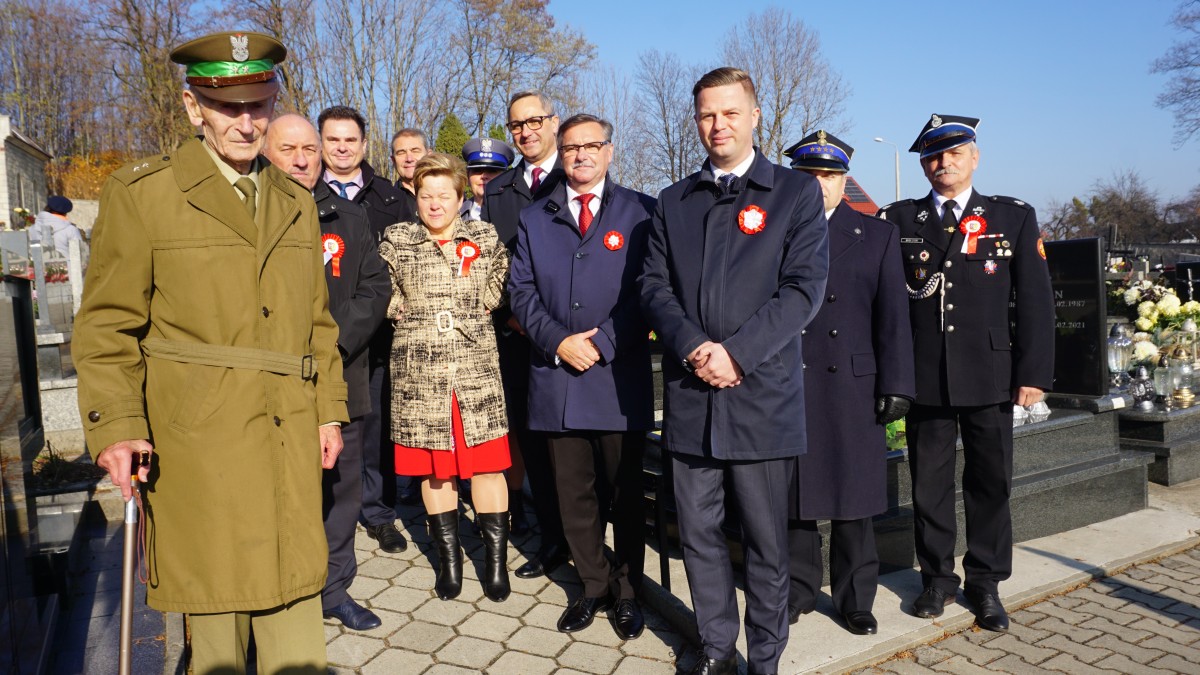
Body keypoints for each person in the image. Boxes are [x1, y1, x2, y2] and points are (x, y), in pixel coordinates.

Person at [73, 32, 348, 673]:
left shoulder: (295, 202)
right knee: (218, 631)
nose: (247, 123)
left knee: (296, 615)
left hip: (287, 435)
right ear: (194, 108)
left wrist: (328, 412)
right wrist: (116, 428)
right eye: (229, 107)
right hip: (199, 445)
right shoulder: (143, 195)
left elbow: (318, 324)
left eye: (259, 104)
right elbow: (107, 329)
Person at [640, 67, 829, 675]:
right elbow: (653, 286)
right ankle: (718, 647)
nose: (716, 125)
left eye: (728, 113)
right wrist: (697, 346)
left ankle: (766, 656)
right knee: (697, 537)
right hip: (693, 396)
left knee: (767, 545)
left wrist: (737, 353)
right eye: (705, 115)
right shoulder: (673, 200)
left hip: (761, 397)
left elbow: (802, 291)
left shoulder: (795, 194)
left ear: (753, 116)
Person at [878, 114, 1055, 633]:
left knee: (990, 482)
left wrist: (1033, 373)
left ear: (975, 157)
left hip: (991, 375)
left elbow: (1036, 303)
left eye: (954, 153)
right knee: (929, 485)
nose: (943, 163)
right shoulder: (898, 219)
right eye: (933, 156)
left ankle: (986, 582)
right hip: (926, 378)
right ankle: (936, 579)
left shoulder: (1012, 216)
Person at [509, 114, 653, 640]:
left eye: (592, 145)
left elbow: (651, 292)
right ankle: (592, 585)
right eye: (571, 147)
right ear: (559, 152)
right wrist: (557, 340)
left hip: (617, 380)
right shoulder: (534, 217)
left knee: (624, 495)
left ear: (610, 151)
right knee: (574, 497)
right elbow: (520, 291)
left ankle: (628, 592)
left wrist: (605, 341)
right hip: (558, 378)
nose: (581, 155)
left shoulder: (642, 212)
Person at [781, 131, 915, 636]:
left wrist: (897, 382)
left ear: (844, 182)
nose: (819, 187)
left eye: (830, 177)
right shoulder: (776, 231)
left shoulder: (875, 235)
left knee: (854, 496)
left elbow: (894, 317)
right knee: (796, 496)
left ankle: (856, 596)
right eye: (809, 176)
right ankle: (797, 588)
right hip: (791, 378)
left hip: (852, 383)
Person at [263, 113, 392, 631]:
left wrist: (327, 343)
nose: (301, 160)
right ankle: (279, 592)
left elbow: (375, 290)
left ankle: (334, 589)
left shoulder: (348, 217)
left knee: (341, 492)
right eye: (288, 149)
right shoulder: (252, 215)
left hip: (341, 379)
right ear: (267, 152)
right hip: (269, 385)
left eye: (309, 150)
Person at [378, 152, 513, 602]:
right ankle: (450, 562)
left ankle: (495, 564)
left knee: (488, 467)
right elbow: (383, 291)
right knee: (436, 472)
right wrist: (410, 314)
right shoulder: (397, 240)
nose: (434, 204)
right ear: (415, 196)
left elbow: (501, 278)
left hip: (475, 368)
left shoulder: (484, 236)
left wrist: (478, 310)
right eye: (425, 194)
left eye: (444, 195)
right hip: (421, 371)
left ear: (460, 197)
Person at [481, 90, 569, 576]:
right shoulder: (499, 191)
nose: (526, 131)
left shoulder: (576, 171)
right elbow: (498, 270)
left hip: (574, 340)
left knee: (577, 452)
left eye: (534, 121)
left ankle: (594, 546)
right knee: (535, 447)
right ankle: (554, 542)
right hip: (520, 339)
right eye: (516, 125)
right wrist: (517, 319)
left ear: (553, 122)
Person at [318, 105, 410, 554]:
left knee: (373, 428)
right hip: (317, 340)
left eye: (349, 140)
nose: (341, 147)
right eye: (332, 139)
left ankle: (377, 512)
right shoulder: (301, 195)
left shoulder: (392, 199)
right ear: (321, 143)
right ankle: (330, 513)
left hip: (377, 337)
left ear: (364, 144)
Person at [460, 137, 514, 223]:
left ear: (505, 177)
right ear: (468, 175)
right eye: (477, 170)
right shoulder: (454, 214)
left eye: (492, 171)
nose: (484, 176)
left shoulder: (517, 212)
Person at [391, 127, 428, 223]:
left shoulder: (448, 195)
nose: (409, 158)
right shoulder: (386, 202)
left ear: (428, 155)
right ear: (393, 160)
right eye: (401, 152)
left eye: (415, 151)